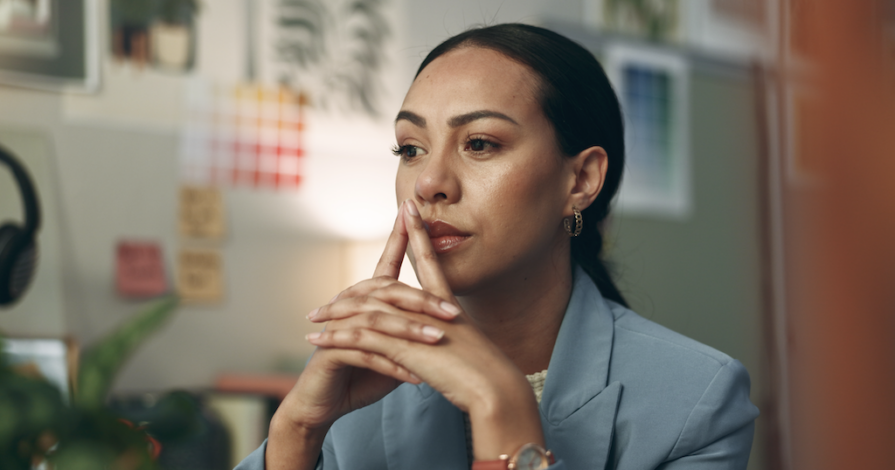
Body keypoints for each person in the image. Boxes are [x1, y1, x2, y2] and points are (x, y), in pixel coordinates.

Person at [236, 23, 759, 470]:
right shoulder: (359, 379)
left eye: (480, 143)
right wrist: (296, 433)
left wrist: (502, 406)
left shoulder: (696, 400)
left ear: (580, 180)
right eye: (411, 149)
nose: (429, 182)